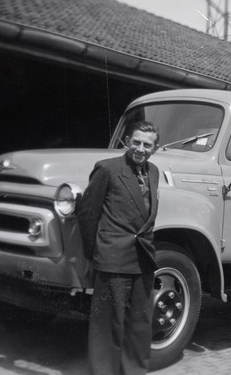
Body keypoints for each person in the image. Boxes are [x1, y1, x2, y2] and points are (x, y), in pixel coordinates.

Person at [77, 121, 160, 375]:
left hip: (143, 258)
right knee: (107, 325)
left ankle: (135, 370)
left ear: (155, 148)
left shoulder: (154, 171)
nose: (141, 149)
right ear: (126, 141)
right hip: (112, 259)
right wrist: (96, 254)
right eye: (136, 142)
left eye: (147, 144)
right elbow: (88, 214)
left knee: (140, 324)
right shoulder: (107, 169)